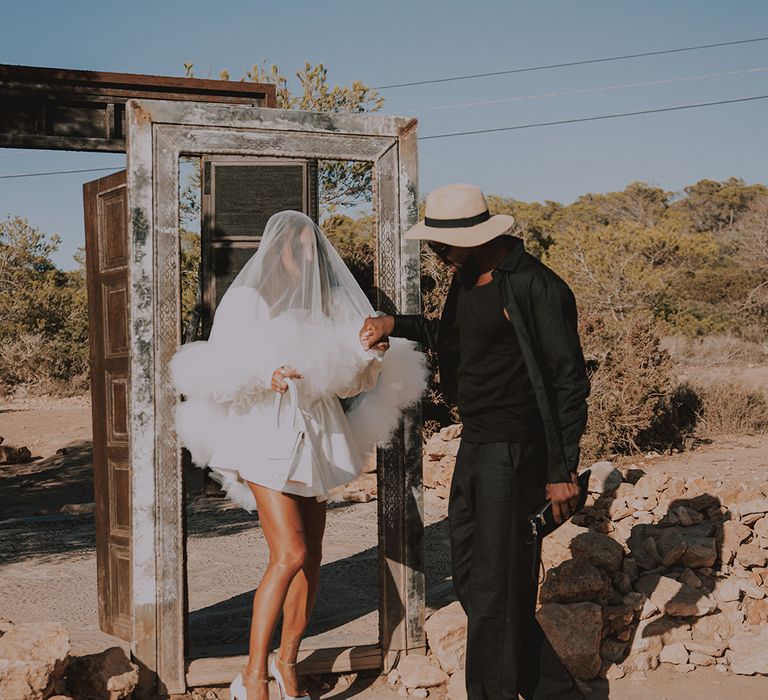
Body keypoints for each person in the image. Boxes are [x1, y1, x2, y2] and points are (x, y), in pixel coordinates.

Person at [170, 211, 426, 700]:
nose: (311, 255)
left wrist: (370, 355)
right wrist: (264, 374)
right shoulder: (246, 301)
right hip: (263, 432)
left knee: (312, 559)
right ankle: (252, 676)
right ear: (279, 249)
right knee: (289, 553)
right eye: (301, 247)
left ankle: (288, 664)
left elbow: (350, 381)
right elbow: (222, 366)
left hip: (316, 435)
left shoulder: (327, 307)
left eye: (315, 246)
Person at [360, 184, 590, 699]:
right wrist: (394, 324)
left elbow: (570, 380)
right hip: (478, 445)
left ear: (474, 236)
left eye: (441, 244)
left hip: (518, 452)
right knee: (472, 580)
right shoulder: (466, 280)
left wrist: (562, 469)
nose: (435, 253)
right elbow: (456, 338)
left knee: (496, 589)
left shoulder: (536, 287)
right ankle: (559, 693)